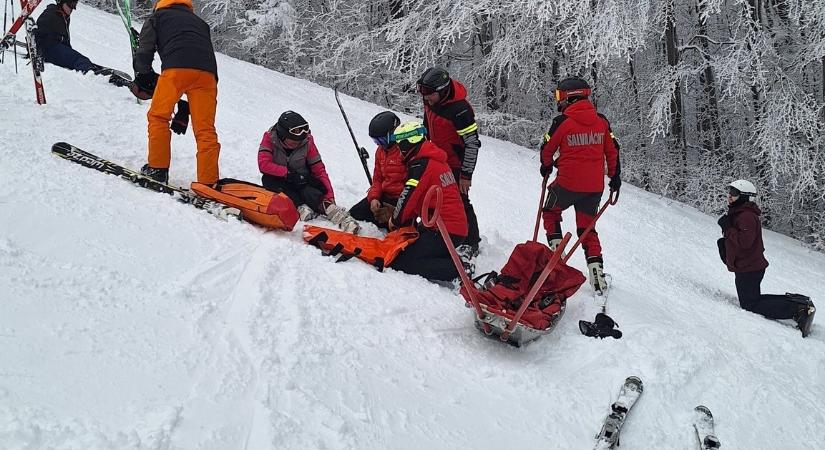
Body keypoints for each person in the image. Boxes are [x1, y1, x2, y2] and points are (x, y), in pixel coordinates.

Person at [539, 76, 620, 294]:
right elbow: (612, 150)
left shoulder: (562, 122)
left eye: (559, 96)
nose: (558, 101)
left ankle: (557, 255)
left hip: (567, 184)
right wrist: (614, 177)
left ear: (568, 97)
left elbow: (547, 148)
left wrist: (546, 166)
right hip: (594, 188)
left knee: (550, 212)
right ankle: (596, 273)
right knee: (587, 228)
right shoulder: (602, 121)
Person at [132, 0, 220, 185]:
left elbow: (145, 48)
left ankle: (157, 168)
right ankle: (208, 182)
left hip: (176, 70)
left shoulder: (157, 17)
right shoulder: (200, 23)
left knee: (158, 117)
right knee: (205, 131)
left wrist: (144, 74)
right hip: (208, 77)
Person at [717, 180, 816, 337]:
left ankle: (798, 310)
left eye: (734, 193)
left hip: (750, 267)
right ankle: (797, 304)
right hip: (747, 266)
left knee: (750, 304)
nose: (729, 196)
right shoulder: (740, 213)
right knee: (753, 299)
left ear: (744, 196)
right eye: (729, 191)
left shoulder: (746, 216)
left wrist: (727, 228)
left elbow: (744, 242)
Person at [387, 121, 469, 281]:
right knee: (408, 248)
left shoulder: (421, 164)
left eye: (400, 145)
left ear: (407, 144)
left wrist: (395, 220)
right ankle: (452, 262)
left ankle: (456, 270)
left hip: (445, 230)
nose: (399, 151)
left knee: (401, 261)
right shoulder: (433, 159)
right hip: (444, 226)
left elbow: (408, 196)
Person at [258, 111, 359, 234]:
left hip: (302, 179)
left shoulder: (307, 142)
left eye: (299, 142)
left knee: (309, 187)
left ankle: (331, 209)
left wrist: (329, 196)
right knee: (268, 180)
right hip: (280, 179)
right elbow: (263, 164)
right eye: (293, 142)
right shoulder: (270, 138)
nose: (297, 144)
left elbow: (319, 169)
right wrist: (287, 173)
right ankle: (298, 206)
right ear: (282, 136)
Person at [417, 66, 481, 257]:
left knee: (460, 200)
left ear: (443, 90)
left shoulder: (460, 111)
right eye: (422, 92)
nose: (425, 97)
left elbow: (472, 144)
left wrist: (466, 175)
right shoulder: (429, 101)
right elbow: (427, 125)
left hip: (456, 163)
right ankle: (433, 227)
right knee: (433, 194)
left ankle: (471, 242)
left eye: (429, 93)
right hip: (437, 158)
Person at [34, 0, 124, 82]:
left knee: (78, 58)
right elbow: (37, 32)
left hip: (56, 48)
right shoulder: (50, 13)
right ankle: (91, 71)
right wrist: (37, 53)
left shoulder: (64, 17)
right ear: (62, 2)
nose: (73, 8)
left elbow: (65, 39)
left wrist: (69, 51)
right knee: (78, 59)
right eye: (71, 4)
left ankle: (89, 66)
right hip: (49, 49)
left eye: (75, 4)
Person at [349, 111, 406, 228]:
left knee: (396, 230)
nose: (380, 145)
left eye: (382, 141)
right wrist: (374, 198)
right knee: (354, 214)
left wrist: (397, 210)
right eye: (376, 141)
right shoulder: (380, 151)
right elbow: (378, 179)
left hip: (401, 200)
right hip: (384, 195)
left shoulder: (406, 150)